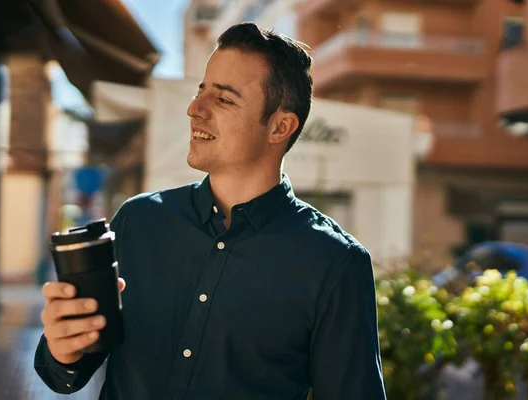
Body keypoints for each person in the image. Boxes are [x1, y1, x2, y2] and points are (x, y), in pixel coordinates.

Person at [34, 22, 386, 400]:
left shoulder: (335, 262)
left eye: (223, 99)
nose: (194, 109)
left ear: (280, 126)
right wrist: (63, 348)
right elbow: (68, 371)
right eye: (201, 90)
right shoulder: (137, 221)